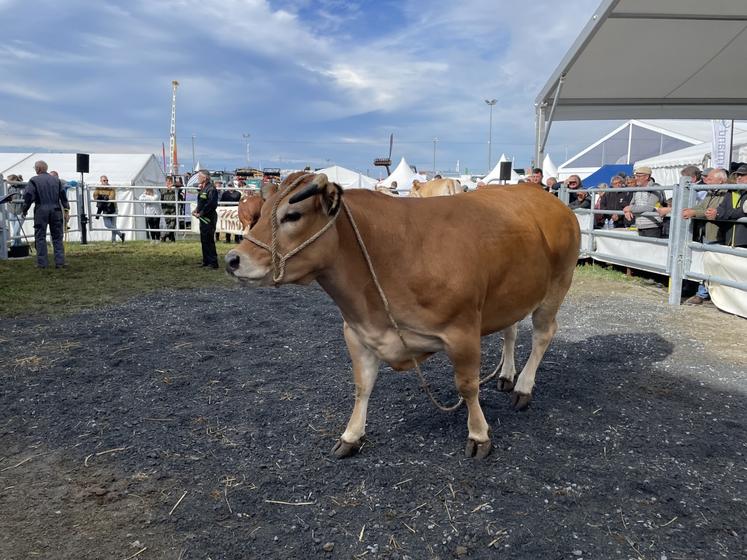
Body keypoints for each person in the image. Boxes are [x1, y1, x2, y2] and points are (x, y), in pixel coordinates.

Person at [681, 168, 728, 304]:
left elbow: (712, 211)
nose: (706, 181)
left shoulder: (725, 194)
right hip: (706, 232)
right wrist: (690, 210)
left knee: (712, 264)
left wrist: (693, 213)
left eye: (710, 179)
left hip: (716, 233)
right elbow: (701, 206)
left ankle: (702, 294)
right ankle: (701, 292)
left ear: (720, 181)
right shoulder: (711, 193)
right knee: (706, 264)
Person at [21, 160, 69, 268]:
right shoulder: (57, 180)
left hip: (41, 210)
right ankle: (60, 262)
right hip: (56, 209)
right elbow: (63, 196)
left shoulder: (34, 180)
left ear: (38, 169)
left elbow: (28, 196)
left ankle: (42, 263)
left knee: (40, 236)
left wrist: (24, 209)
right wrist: (66, 209)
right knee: (57, 236)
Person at [623, 166, 663, 238]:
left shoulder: (655, 187)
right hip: (640, 225)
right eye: (635, 176)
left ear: (646, 177)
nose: (636, 178)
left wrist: (630, 208)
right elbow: (632, 203)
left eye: (639, 176)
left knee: (651, 248)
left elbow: (649, 207)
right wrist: (627, 211)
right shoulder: (637, 188)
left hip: (653, 226)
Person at [714, 164, 747, 248]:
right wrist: (715, 212)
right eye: (737, 175)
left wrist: (723, 213)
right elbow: (721, 207)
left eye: (743, 175)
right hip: (728, 237)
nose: (739, 177)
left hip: (743, 241)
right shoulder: (732, 190)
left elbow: (743, 213)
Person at [192, 169, 219, 268]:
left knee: (209, 239)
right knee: (204, 239)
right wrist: (196, 210)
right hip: (203, 217)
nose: (198, 178)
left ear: (205, 178)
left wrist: (202, 213)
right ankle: (206, 261)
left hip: (209, 217)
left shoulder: (211, 189)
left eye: (199, 176)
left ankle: (213, 262)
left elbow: (211, 204)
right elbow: (202, 203)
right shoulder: (203, 189)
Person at [93, 175, 125, 242]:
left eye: (107, 180)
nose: (106, 181)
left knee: (113, 225)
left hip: (113, 208)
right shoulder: (98, 188)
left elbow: (111, 197)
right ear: (101, 181)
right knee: (107, 225)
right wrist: (100, 198)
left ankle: (113, 240)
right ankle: (121, 234)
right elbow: (95, 196)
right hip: (104, 209)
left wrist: (101, 197)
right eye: (104, 180)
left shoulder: (111, 188)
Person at [161, 176, 177, 242]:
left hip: (173, 208)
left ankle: (164, 235)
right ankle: (172, 237)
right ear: (165, 182)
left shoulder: (175, 188)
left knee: (173, 222)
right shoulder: (162, 189)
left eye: (170, 181)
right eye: (168, 181)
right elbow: (160, 197)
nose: (169, 183)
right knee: (167, 222)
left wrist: (173, 185)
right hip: (165, 208)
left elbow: (180, 185)